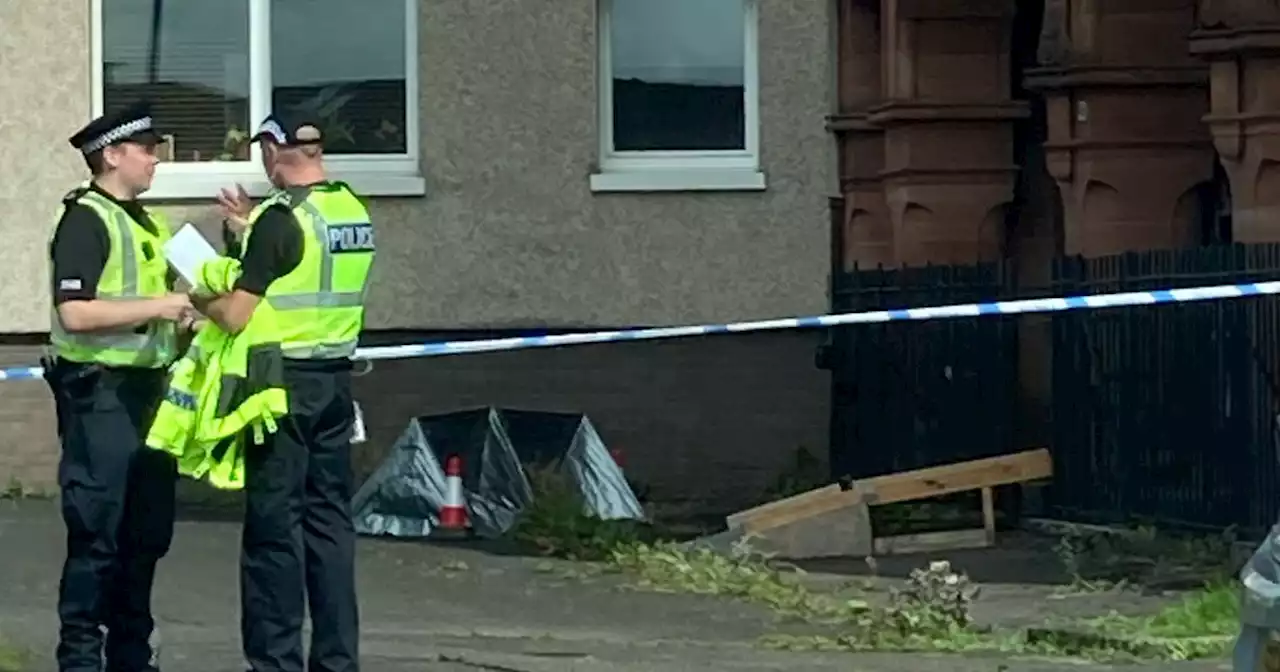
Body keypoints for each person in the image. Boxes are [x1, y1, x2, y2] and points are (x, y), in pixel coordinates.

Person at [195, 112, 375, 672]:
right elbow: (304, 268)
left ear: (276, 149)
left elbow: (236, 315)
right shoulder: (351, 210)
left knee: (275, 531)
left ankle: (275, 663)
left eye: (263, 151)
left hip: (281, 389)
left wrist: (197, 294)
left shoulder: (279, 219)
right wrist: (249, 231)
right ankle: (337, 661)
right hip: (336, 383)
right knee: (330, 528)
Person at [46, 101, 194, 672]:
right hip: (99, 395)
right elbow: (76, 314)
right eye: (146, 149)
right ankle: (81, 657)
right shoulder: (86, 218)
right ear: (112, 154)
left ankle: (132, 652)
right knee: (97, 534)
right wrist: (161, 304)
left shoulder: (143, 221)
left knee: (146, 534)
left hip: (147, 393)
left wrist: (180, 319)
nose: (156, 159)